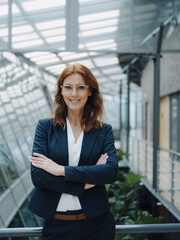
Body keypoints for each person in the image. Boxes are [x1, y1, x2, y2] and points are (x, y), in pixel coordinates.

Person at [28, 63, 118, 240]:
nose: (74, 94)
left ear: (90, 91)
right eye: (68, 87)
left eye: (81, 88)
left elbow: (110, 172)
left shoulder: (103, 130)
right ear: (61, 91)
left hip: (98, 225)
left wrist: (60, 170)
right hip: (57, 226)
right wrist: (88, 182)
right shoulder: (46, 127)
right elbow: (38, 176)